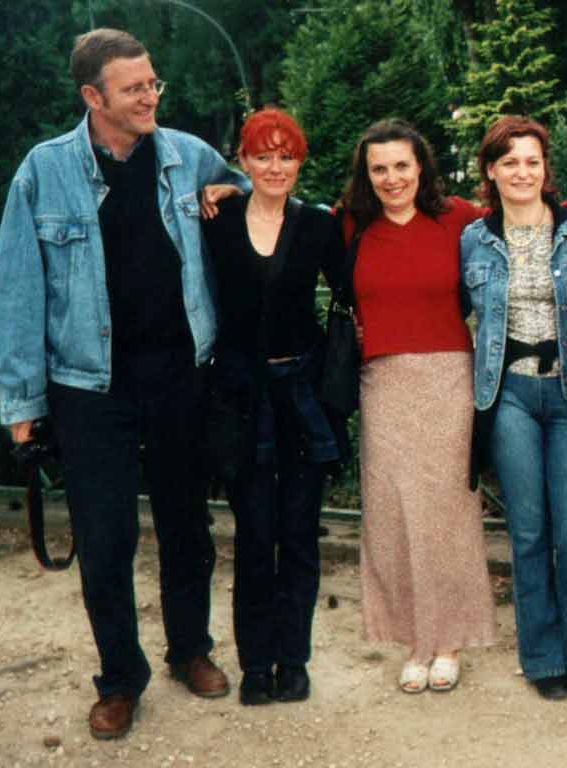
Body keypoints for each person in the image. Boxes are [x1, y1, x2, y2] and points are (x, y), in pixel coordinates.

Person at [0, 28, 249, 740]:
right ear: (92, 96)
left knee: (187, 527)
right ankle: (119, 679)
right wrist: (23, 403)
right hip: (88, 387)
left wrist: (232, 188)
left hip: (180, 376)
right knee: (104, 541)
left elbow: (259, 190)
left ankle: (190, 650)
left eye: (153, 83)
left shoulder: (191, 156)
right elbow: (15, 290)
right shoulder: (43, 171)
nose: (150, 97)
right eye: (134, 88)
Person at [342, 118, 567, 694]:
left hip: (459, 382)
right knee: (398, 517)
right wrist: (224, 185)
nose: (392, 178)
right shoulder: (351, 224)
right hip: (390, 384)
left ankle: (481, 643)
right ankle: (428, 643)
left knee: (465, 519)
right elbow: (280, 208)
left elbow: (530, 204)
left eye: (402, 165)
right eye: (379, 168)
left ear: (421, 168)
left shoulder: (457, 220)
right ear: (366, 175)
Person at [201, 109, 345, 706]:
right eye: (263, 156)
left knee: (299, 534)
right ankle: (256, 664)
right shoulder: (218, 221)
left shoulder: (318, 226)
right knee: (256, 534)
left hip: (303, 398)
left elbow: (359, 282)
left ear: (300, 162)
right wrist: (219, 190)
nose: (276, 167)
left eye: (287, 156)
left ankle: (294, 660)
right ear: (243, 160)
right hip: (241, 399)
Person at [460, 116, 567, 701]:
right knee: (528, 531)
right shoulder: (473, 238)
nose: (522, 172)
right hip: (510, 394)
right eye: (510, 162)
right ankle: (542, 658)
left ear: (546, 169)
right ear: (491, 170)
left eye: (532, 161)